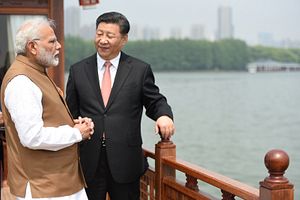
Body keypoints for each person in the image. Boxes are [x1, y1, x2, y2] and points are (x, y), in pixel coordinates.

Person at [66, 11, 175, 200]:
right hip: (88, 161)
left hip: (126, 161)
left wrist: (163, 116)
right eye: (99, 34)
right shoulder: (78, 70)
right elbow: (69, 113)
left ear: (123, 39)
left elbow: (155, 100)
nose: (103, 40)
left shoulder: (139, 70)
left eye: (110, 35)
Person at [0, 18, 94, 200]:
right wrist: (76, 133)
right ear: (32, 47)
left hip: (59, 184)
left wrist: (73, 124)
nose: (59, 46)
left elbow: (44, 118)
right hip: (44, 189)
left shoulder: (36, 72)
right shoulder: (22, 81)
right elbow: (32, 137)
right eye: (52, 41)